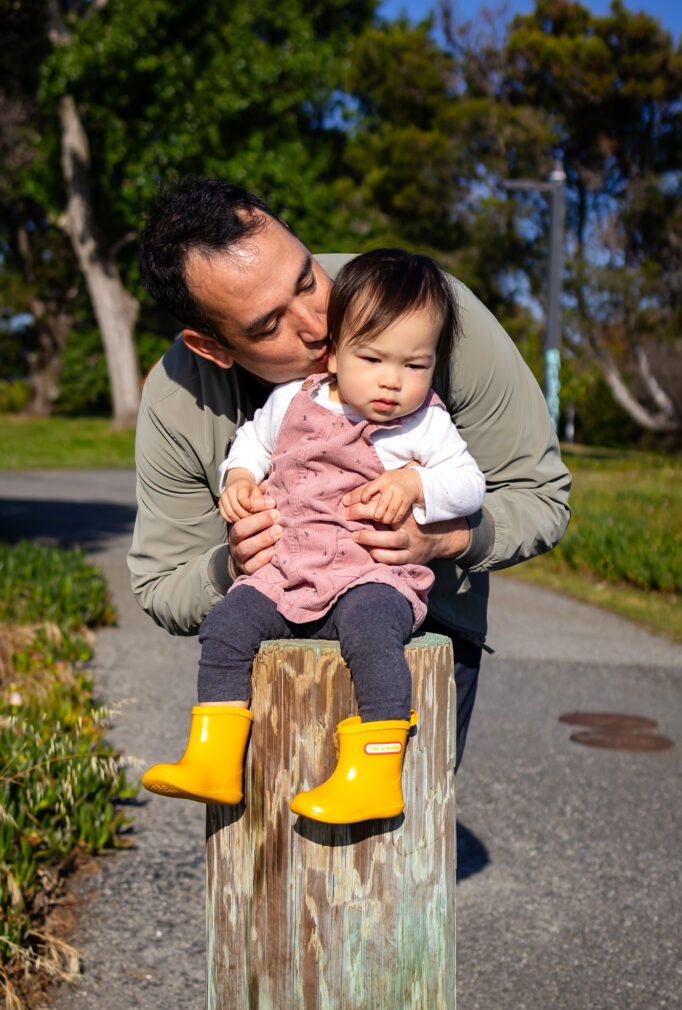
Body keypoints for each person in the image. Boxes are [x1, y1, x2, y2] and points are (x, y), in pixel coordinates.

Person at [130, 178, 571, 781]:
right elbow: (160, 583)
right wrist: (230, 566)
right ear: (213, 347)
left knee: (401, 844)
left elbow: (540, 496)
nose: (318, 325)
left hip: (421, 618)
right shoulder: (175, 402)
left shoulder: (426, 312)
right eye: (268, 327)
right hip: (269, 630)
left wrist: (446, 538)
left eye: (307, 279)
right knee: (269, 854)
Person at [141, 249, 486, 823]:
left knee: (374, 634)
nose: (391, 382)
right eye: (372, 358)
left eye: (415, 365)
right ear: (334, 350)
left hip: (370, 574)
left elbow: (469, 484)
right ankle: (213, 756)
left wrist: (418, 482)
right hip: (290, 569)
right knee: (227, 625)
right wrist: (242, 478)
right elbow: (250, 442)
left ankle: (374, 767)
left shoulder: (424, 422)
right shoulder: (293, 399)